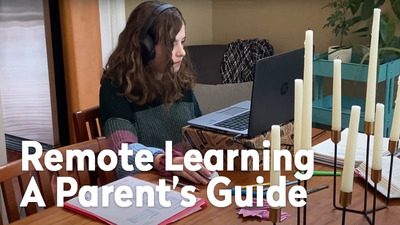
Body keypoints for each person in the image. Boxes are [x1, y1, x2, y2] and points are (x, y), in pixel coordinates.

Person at [99, 1, 211, 184]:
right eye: (171, 44)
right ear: (145, 47)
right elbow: (123, 154)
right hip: (146, 187)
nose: (181, 52)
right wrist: (166, 161)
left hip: (186, 182)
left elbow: (199, 135)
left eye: (182, 42)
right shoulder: (115, 86)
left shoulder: (179, 79)